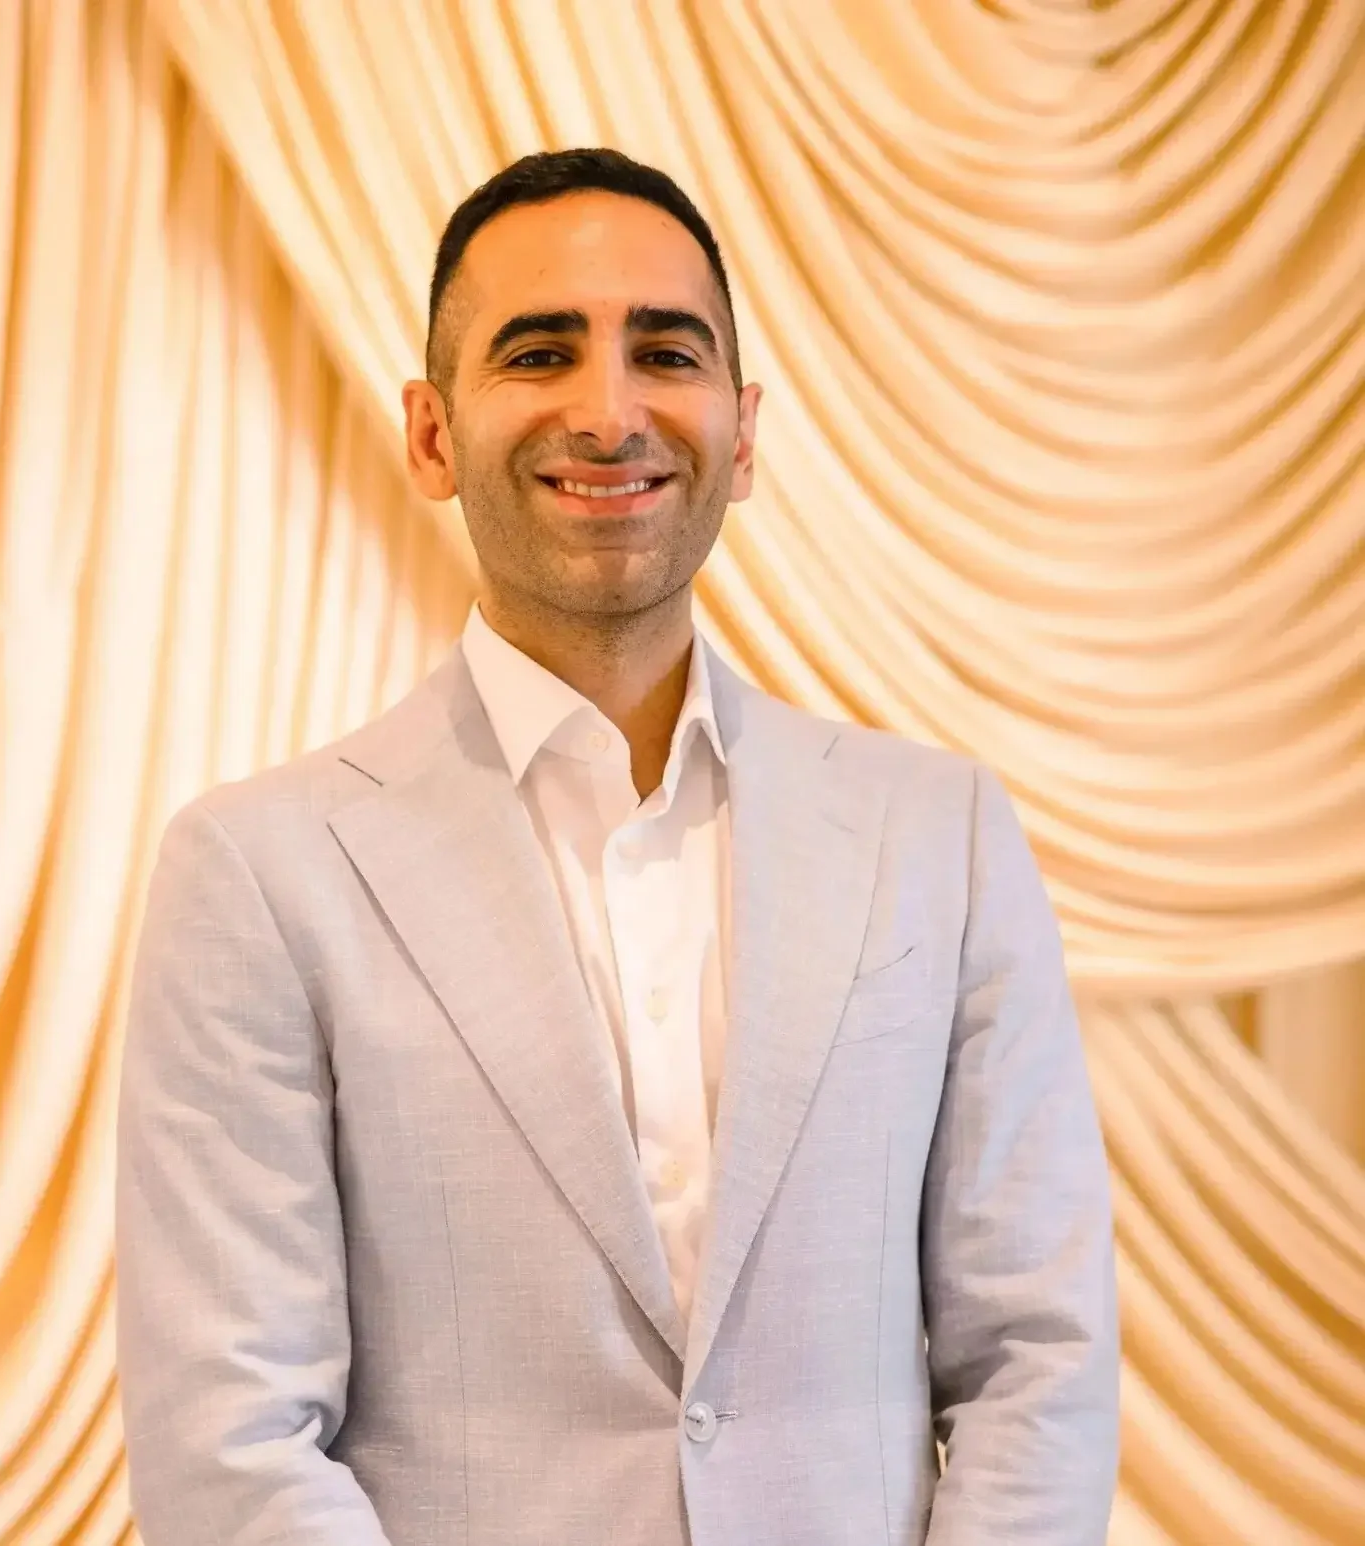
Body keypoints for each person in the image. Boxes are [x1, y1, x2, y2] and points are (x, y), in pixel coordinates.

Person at [116, 147, 1120, 1546]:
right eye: (538, 353)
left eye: (665, 351)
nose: (608, 412)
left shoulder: (935, 837)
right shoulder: (260, 872)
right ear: (430, 433)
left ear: (743, 429)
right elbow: (228, 1433)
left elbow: (1039, 1356)